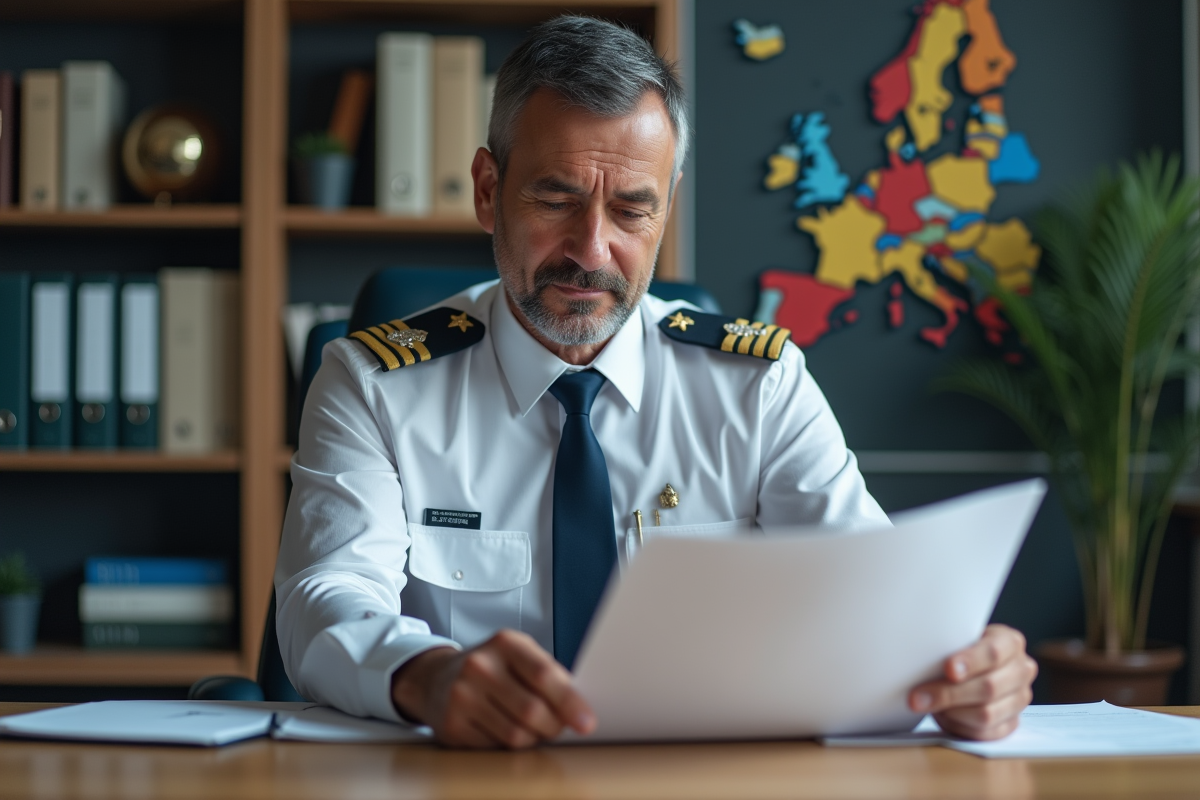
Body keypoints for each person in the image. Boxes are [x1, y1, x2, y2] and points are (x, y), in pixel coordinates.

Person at [275, 15, 1037, 750]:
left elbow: (877, 598)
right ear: (487, 190)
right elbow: (327, 598)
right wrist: (428, 675)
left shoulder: (758, 385)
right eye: (555, 199)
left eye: (632, 209)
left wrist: (963, 673)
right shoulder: (373, 383)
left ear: (666, 209)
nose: (591, 250)